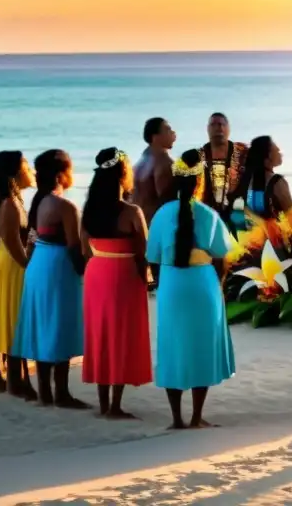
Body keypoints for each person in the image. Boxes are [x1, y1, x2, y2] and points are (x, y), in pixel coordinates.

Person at [147, 149, 236, 429]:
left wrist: (163, 284)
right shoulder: (208, 214)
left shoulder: (162, 214)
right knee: (200, 348)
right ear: (200, 182)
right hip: (202, 283)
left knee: (173, 348)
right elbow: (224, 256)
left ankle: (176, 418)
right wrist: (218, 285)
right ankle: (197, 417)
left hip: (172, 284)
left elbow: (153, 258)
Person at [12, 150, 88, 409]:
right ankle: (62, 393)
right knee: (60, 325)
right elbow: (73, 246)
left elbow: (32, 239)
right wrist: (87, 272)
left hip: (39, 265)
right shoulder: (65, 206)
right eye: (70, 169)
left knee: (44, 325)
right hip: (57, 266)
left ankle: (45, 391)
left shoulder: (39, 201)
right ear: (60, 175)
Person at [81, 148, 152, 419]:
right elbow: (145, 251)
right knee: (120, 336)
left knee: (101, 335)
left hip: (97, 272)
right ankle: (115, 405)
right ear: (123, 174)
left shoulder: (88, 210)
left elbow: (84, 248)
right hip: (123, 274)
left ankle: (102, 404)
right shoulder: (131, 212)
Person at [0, 151, 36, 398]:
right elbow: (14, 243)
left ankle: (16, 377)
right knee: (15, 318)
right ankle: (15, 379)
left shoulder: (14, 201)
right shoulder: (10, 204)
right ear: (17, 172)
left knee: (14, 317)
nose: (32, 171)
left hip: (8, 262)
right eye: (27, 167)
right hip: (12, 264)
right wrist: (29, 265)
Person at [135, 117, 177, 289]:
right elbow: (167, 201)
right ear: (155, 136)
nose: (173, 133)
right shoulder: (164, 161)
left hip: (141, 227)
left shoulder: (143, 159)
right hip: (159, 229)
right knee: (167, 281)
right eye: (167, 129)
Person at [199, 113, 249, 233]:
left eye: (222, 124)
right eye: (214, 124)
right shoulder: (197, 158)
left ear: (228, 128)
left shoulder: (244, 154)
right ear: (208, 129)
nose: (218, 127)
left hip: (240, 220)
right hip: (208, 223)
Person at [240, 136, 292, 219]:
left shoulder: (245, 181)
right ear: (268, 155)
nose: (279, 150)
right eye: (275, 147)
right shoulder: (277, 182)